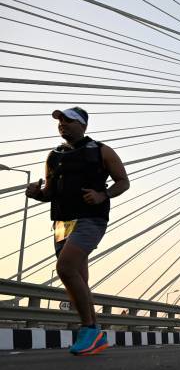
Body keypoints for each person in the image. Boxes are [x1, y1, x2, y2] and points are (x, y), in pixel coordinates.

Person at [25, 106, 129, 356]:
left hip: (90, 219)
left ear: (83, 124)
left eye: (68, 120)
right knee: (78, 278)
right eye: (59, 121)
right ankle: (96, 336)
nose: (62, 125)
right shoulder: (54, 156)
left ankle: (89, 329)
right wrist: (35, 194)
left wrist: (102, 194)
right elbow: (49, 193)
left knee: (66, 269)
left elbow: (123, 181)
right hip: (62, 223)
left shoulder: (101, 150)